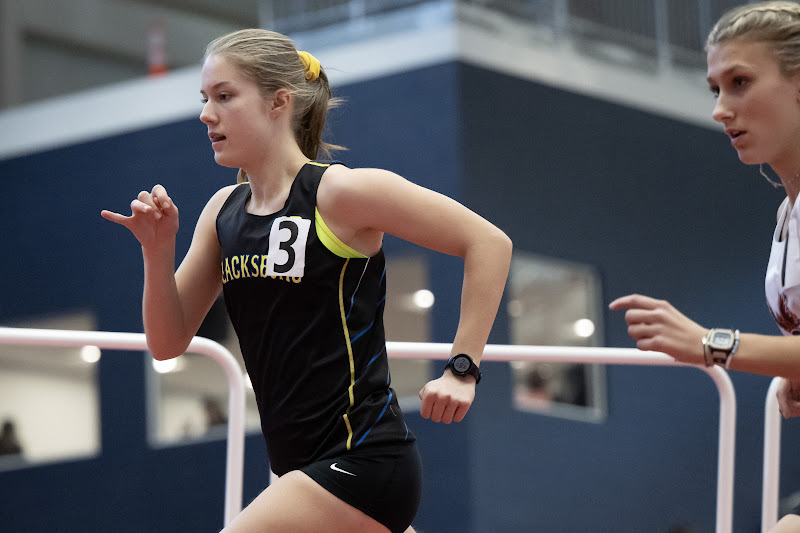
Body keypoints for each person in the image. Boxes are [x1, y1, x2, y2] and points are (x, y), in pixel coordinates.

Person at [101, 28, 512, 533]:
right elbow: (166, 343)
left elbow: (489, 243)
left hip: (362, 459)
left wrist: (462, 368)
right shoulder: (222, 213)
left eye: (225, 97)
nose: (207, 114)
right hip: (295, 470)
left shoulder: (340, 193)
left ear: (279, 102)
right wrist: (157, 252)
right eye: (205, 99)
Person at [609, 2, 800, 531]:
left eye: (740, 82)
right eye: (715, 89)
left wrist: (714, 345)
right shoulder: (788, 214)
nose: (720, 108)